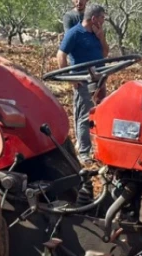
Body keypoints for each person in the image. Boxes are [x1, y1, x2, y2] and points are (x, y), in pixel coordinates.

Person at [57, 3, 109, 164]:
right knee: (84, 116)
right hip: (83, 80)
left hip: (99, 79)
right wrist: (70, 78)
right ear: (93, 18)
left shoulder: (97, 33)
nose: (103, 21)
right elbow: (61, 55)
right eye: (102, 18)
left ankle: (99, 150)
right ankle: (84, 152)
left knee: (100, 114)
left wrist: (101, 38)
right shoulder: (75, 33)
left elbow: (105, 53)